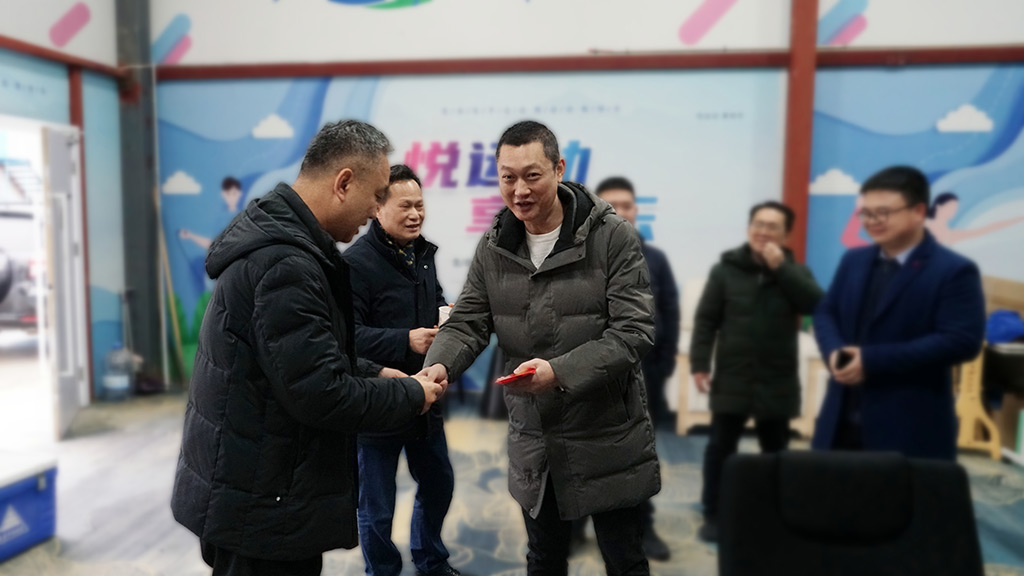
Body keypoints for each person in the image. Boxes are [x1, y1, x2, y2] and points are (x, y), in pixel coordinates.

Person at [171, 120, 444, 576]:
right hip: (261, 505)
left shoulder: (288, 246)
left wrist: (373, 372)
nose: (376, 209)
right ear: (343, 183)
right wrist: (412, 394)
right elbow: (319, 391)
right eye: (377, 195)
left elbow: (300, 356)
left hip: (259, 489)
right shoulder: (285, 264)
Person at [420, 121, 660, 576]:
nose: (519, 190)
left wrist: (559, 373)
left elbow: (634, 331)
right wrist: (439, 365)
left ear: (558, 169)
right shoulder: (495, 246)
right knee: (544, 558)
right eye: (507, 177)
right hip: (536, 436)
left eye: (532, 175)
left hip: (606, 433)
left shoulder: (611, 237)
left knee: (624, 559)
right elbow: (468, 320)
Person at [813, 166, 986, 460]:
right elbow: (826, 312)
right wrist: (834, 352)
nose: (872, 222)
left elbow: (960, 341)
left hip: (908, 425)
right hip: (840, 419)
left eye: (883, 213)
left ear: (918, 211)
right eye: (866, 213)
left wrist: (871, 360)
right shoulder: (854, 260)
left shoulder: (953, 270)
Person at [343, 164, 459, 576]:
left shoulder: (422, 255)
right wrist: (403, 340)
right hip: (376, 401)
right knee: (376, 506)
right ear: (378, 208)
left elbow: (436, 301)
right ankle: (382, 571)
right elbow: (346, 338)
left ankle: (430, 559)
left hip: (424, 396)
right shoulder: (355, 264)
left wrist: (447, 316)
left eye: (420, 205)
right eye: (405, 206)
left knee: (438, 483)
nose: (415, 214)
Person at [689, 200, 823, 542]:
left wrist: (782, 270)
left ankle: (775, 511)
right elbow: (706, 321)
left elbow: (815, 305)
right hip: (733, 374)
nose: (763, 232)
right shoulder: (726, 270)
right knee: (721, 447)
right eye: (758, 224)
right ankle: (714, 512)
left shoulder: (796, 272)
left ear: (786, 235)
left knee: (775, 449)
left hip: (777, 377)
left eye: (772, 227)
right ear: (749, 228)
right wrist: (700, 364)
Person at [576, 175, 677, 561]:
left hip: (644, 375)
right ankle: (576, 527)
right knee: (584, 453)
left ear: (636, 210)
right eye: (611, 205)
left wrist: (662, 367)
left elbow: (669, 313)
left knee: (638, 459)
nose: (620, 212)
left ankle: (643, 528)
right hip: (593, 375)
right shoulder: (581, 254)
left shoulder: (656, 259)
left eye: (627, 205)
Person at [926, 191, 1024, 245]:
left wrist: (1019, 219)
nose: (953, 211)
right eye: (950, 208)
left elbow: (988, 228)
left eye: (955, 208)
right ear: (938, 206)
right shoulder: (924, 223)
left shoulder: (951, 235)